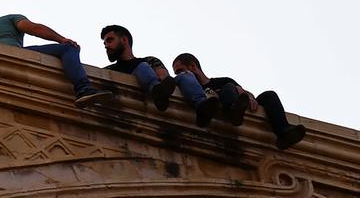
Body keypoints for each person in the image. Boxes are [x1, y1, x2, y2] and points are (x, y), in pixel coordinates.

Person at [172, 53, 307, 150]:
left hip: (241, 108)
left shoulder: (223, 81)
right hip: (226, 111)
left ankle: (284, 131)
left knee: (269, 95)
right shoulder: (192, 89)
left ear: (192, 66)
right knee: (229, 88)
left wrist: (249, 96)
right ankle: (232, 111)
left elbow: (243, 93)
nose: (179, 75)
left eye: (180, 71)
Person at [0, 14, 112, 107]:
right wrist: (62, 39)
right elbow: (35, 28)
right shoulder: (13, 18)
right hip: (10, 54)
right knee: (68, 49)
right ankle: (83, 88)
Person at [101, 25, 200, 115]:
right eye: (104, 43)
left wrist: (164, 80)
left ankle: (201, 104)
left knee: (185, 75)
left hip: (156, 96)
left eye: (110, 40)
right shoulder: (109, 70)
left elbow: (164, 77)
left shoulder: (149, 61)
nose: (106, 45)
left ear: (124, 40)